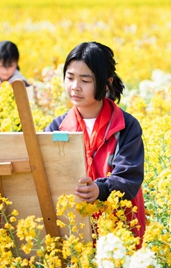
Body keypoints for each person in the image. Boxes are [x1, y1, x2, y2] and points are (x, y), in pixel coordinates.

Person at [44, 41, 146, 242]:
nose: (75, 87)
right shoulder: (56, 127)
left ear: (106, 83)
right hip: (75, 233)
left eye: (85, 80)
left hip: (121, 232)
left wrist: (100, 190)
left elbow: (129, 177)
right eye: (70, 78)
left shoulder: (126, 126)